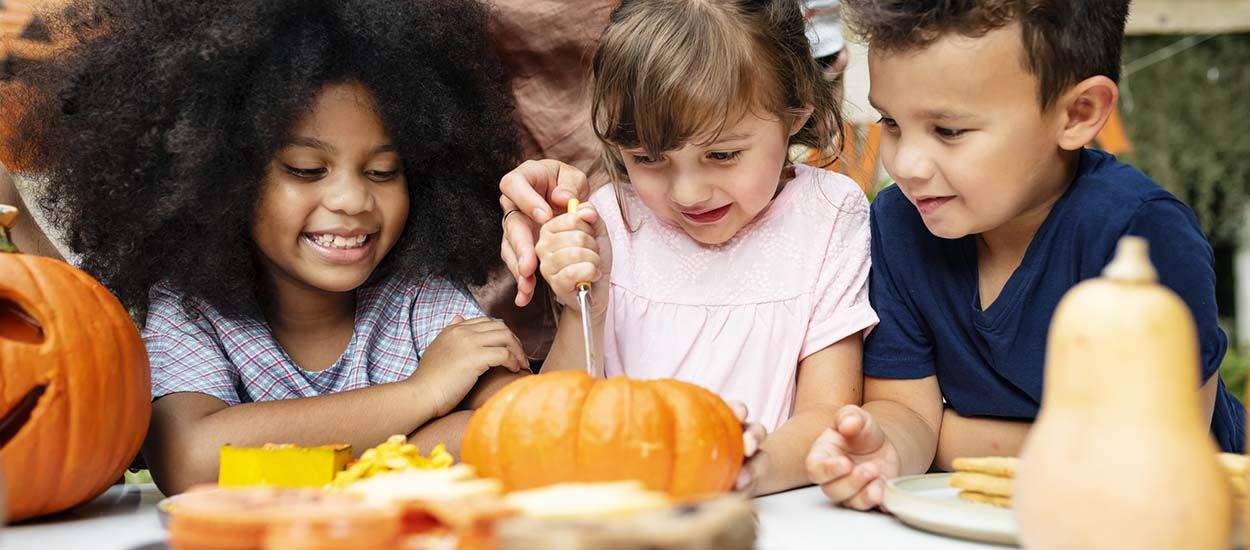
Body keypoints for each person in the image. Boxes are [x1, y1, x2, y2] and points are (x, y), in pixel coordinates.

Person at [10, 0, 527, 494]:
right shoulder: (191, 311)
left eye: (383, 172)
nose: (352, 199)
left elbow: (513, 426)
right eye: (306, 169)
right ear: (221, 178)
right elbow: (191, 458)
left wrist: (276, 457)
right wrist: (422, 396)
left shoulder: (420, 296)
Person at [804, 0, 1245, 510]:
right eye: (892, 123)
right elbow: (908, 414)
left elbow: (1156, 455)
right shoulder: (897, 223)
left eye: (949, 131)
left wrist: (952, 437)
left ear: (1077, 114)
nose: (906, 164)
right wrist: (888, 449)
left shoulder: (1140, 233)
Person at [517, 0, 877, 496]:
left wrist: (746, 467)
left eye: (723, 154)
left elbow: (828, 412)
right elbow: (552, 425)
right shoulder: (611, 221)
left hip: (770, 518)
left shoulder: (828, 214)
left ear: (795, 116)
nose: (688, 193)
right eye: (647, 158)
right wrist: (584, 308)